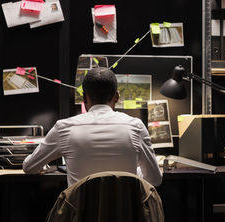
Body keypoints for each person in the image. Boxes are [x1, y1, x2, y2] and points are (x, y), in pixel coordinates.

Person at [23, 67, 162, 187]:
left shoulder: (64, 128)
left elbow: (29, 167)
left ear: (84, 98)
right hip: (125, 215)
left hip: (81, 217)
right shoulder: (135, 127)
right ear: (117, 96)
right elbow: (155, 180)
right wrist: (133, 171)